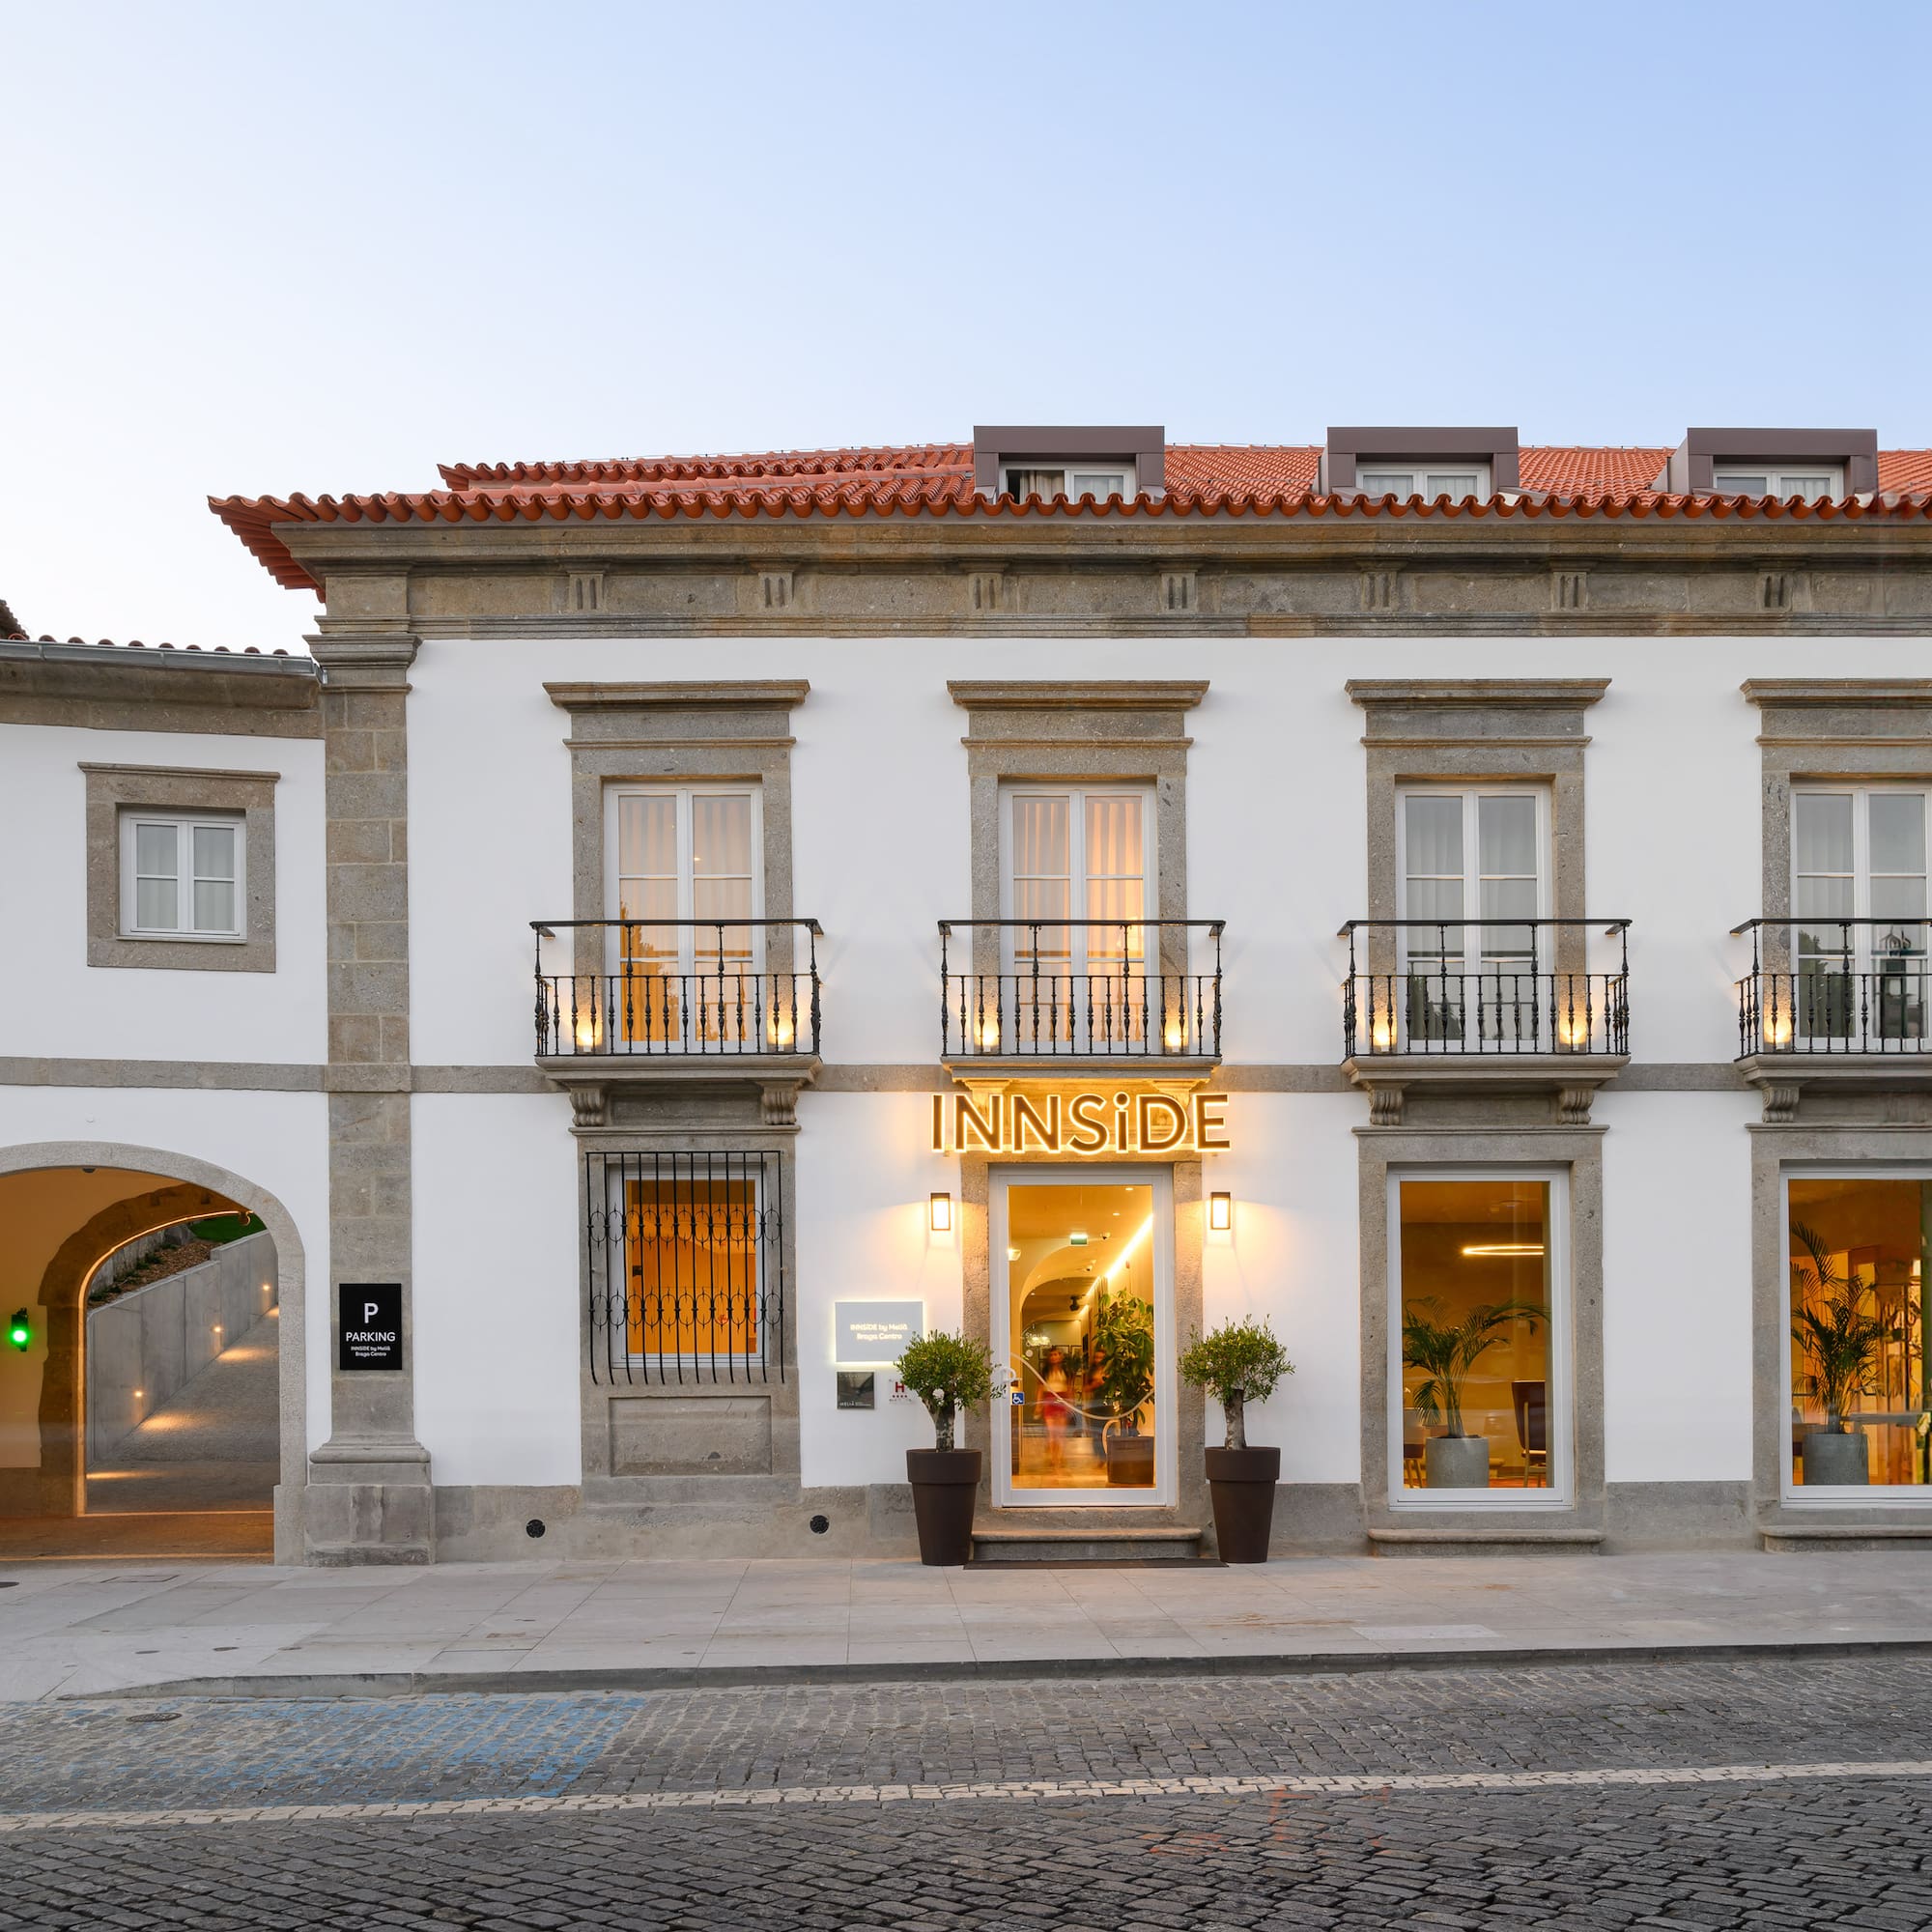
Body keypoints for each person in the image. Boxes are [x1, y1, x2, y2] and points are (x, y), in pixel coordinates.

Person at [1037, 1346, 1074, 1477]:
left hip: (1062, 1400)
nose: (1054, 1357)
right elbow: (1040, 1388)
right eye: (1052, 1355)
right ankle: (1055, 1460)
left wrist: (1070, 1402)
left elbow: (1069, 1388)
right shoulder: (1045, 1371)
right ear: (1049, 1357)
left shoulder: (1067, 1371)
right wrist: (1038, 1404)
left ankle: (1060, 1456)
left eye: (1057, 1354)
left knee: (1061, 1433)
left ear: (1061, 1356)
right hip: (1049, 1400)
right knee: (1052, 1433)